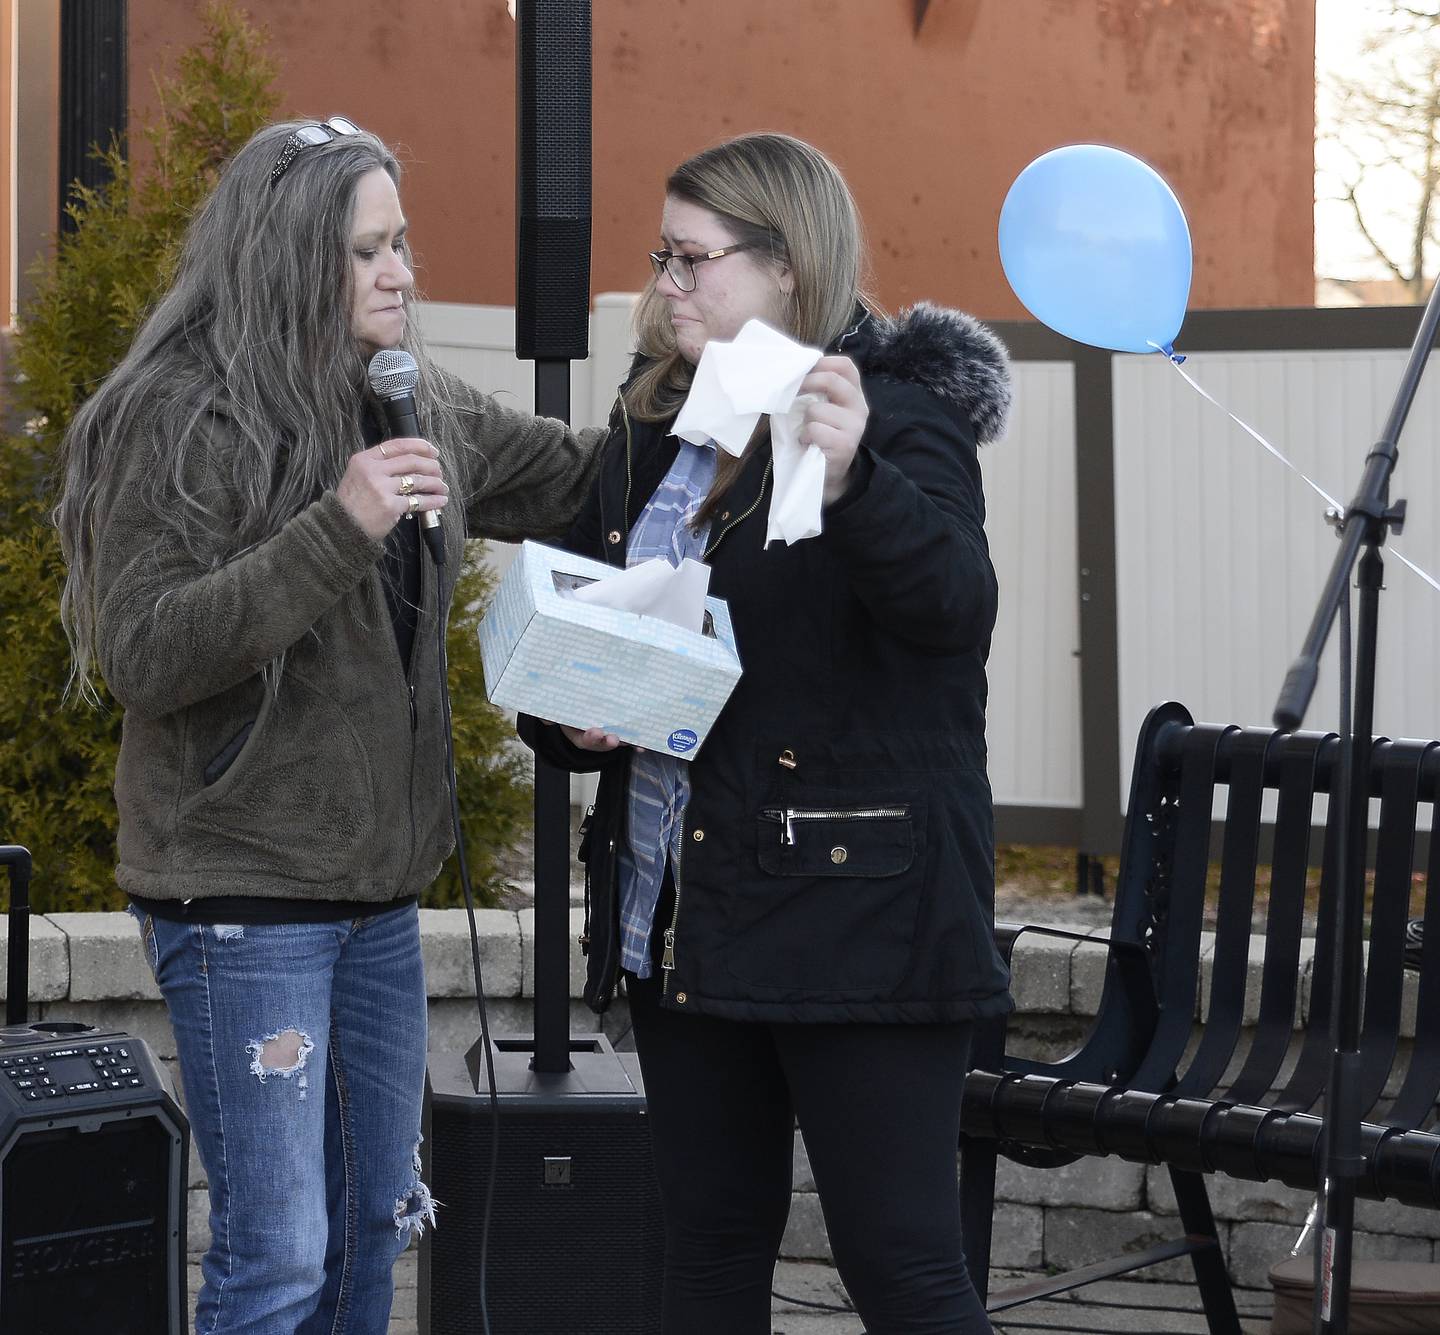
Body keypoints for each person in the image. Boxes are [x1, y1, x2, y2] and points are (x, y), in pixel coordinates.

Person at [54, 117, 603, 1334]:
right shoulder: (178, 414)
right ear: (290, 256)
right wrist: (337, 527)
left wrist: (711, 399)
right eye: (369, 251)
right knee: (278, 1254)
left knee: (369, 1231)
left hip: (374, 900)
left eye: (401, 243)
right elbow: (143, 654)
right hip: (243, 901)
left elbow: (574, 481)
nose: (401, 272)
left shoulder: (403, 395)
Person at [519, 131, 1013, 1334]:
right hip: (685, 914)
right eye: (663, 254)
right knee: (704, 1250)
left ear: (788, 265)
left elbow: (957, 611)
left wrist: (854, 485)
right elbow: (593, 628)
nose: (666, 284)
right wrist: (571, 715)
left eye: (694, 259)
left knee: (900, 1263)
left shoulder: (890, 417)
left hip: (858, 913)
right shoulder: (659, 431)